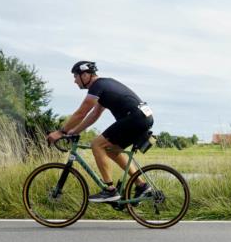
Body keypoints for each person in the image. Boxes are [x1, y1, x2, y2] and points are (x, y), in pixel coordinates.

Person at [47, 61, 153, 202]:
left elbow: (81, 113)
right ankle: (141, 185)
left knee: (96, 144)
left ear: (85, 75)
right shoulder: (105, 85)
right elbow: (94, 115)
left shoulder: (97, 86)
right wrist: (73, 131)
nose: (74, 81)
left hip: (135, 118)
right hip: (143, 117)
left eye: (75, 76)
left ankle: (110, 190)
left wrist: (61, 132)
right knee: (110, 150)